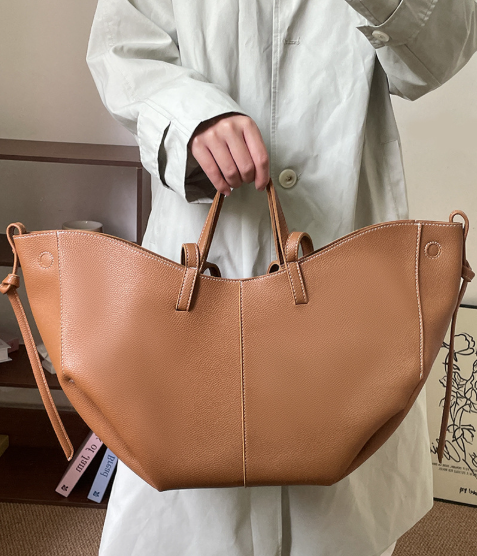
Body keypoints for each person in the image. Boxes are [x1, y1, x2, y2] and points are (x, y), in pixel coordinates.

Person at [86, 1, 477, 554]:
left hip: (344, 240)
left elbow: (436, 54)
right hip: (205, 246)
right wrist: (190, 116)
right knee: (188, 498)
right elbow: (120, 47)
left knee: (339, 507)